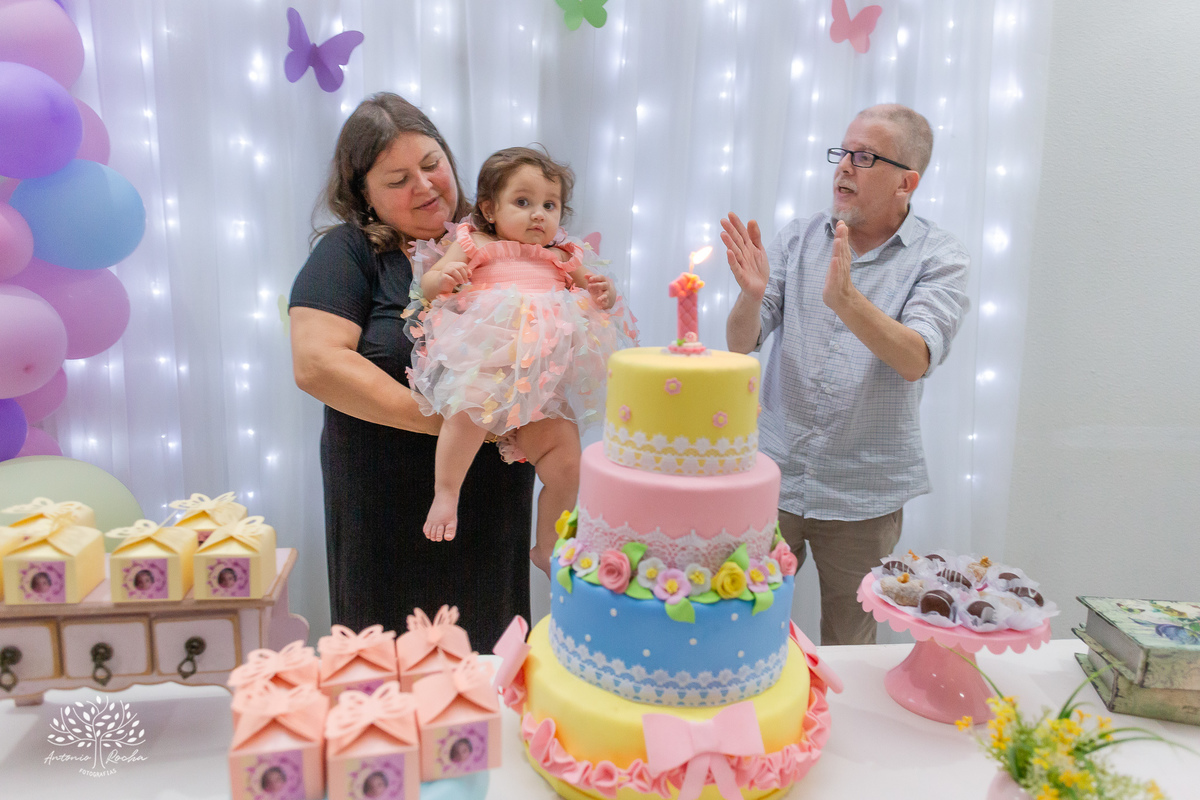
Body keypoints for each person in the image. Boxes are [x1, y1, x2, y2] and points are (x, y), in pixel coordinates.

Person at [288, 93, 539, 650]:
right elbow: (316, 363)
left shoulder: (498, 242)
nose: (424, 187)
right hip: (384, 505)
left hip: (492, 498)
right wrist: (456, 425)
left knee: (485, 659)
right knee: (387, 664)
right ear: (365, 196)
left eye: (432, 164)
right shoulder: (349, 252)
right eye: (397, 178)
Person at [722, 104, 969, 645]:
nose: (843, 169)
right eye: (842, 153)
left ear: (907, 181)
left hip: (865, 492)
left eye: (864, 157)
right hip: (774, 475)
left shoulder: (939, 256)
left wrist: (847, 301)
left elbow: (916, 359)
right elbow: (741, 343)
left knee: (850, 645)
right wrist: (752, 295)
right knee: (743, 626)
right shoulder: (799, 237)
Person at [406, 147, 636, 574]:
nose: (538, 215)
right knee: (467, 411)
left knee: (568, 460)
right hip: (488, 361)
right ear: (490, 209)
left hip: (540, 381)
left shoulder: (564, 256)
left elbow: (598, 295)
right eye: (523, 202)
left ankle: (546, 545)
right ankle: (446, 491)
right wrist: (445, 278)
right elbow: (430, 283)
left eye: (550, 205)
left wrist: (603, 292)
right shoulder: (475, 243)